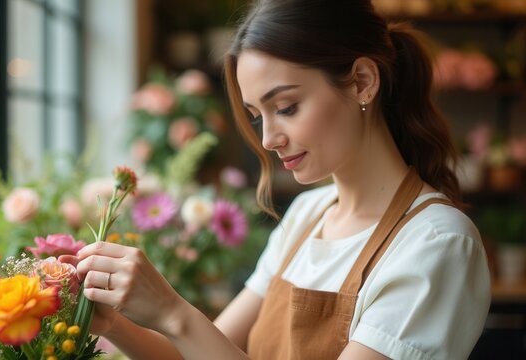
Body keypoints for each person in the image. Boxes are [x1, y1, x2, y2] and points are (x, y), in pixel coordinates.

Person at [60, 0, 491, 358]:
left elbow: (194, 336)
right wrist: (114, 324)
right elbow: (204, 352)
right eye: (256, 116)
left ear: (362, 81)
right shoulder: (308, 215)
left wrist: (175, 313)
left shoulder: (436, 243)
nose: (268, 138)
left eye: (285, 107)